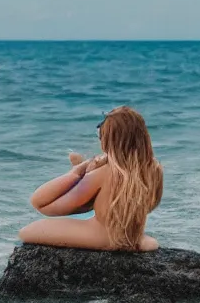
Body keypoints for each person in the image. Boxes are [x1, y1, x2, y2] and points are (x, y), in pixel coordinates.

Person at [18, 106, 164, 252]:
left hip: (103, 236)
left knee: (26, 231)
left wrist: (75, 174)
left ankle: (80, 170)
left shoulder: (104, 173)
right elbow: (151, 205)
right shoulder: (155, 168)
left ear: (109, 141)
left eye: (101, 136)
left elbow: (42, 204)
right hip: (131, 238)